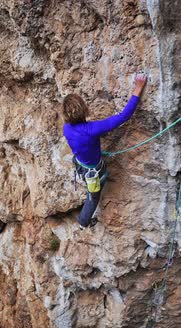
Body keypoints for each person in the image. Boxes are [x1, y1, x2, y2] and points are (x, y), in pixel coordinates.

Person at [62, 73, 147, 229]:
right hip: (94, 171)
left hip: (80, 163)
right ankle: (84, 221)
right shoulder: (92, 129)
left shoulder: (66, 128)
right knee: (93, 197)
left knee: (90, 186)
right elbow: (124, 116)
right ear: (84, 110)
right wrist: (138, 87)